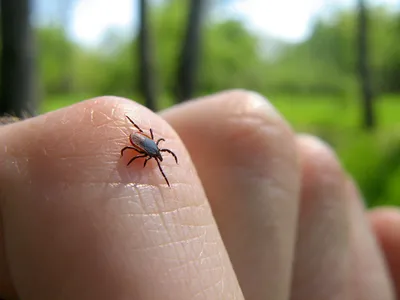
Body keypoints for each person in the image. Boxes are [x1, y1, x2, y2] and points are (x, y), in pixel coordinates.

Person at [0, 90, 398, 300]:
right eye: (152, 153)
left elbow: (135, 147)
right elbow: (133, 145)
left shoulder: (144, 149)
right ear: (150, 148)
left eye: (153, 153)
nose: (154, 154)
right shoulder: (145, 147)